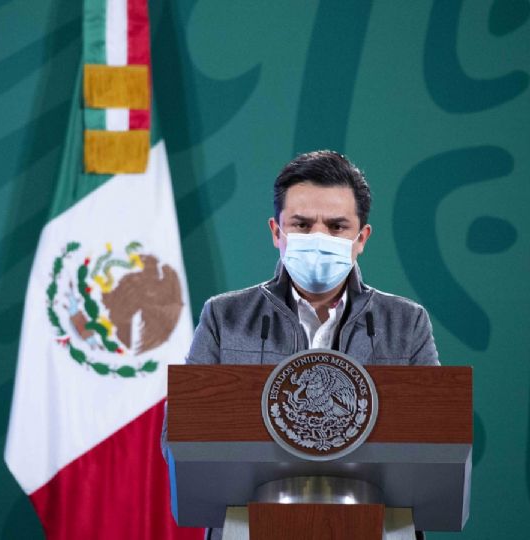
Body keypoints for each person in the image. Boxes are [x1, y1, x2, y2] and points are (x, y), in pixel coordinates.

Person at [170, 150, 439, 540]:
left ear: (361, 238)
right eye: (301, 224)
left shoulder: (407, 323)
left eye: (336, 227)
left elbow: (433, 444)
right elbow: (182, 437)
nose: (318, 238)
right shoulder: (223, 318)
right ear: (277, 232)